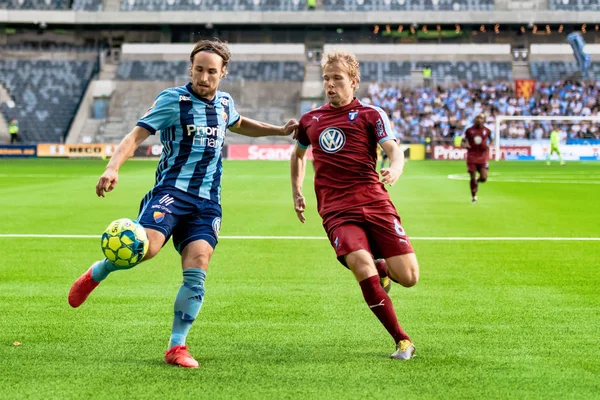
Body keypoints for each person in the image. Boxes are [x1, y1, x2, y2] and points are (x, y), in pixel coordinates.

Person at [68, 39, 298, 369]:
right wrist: (112, 166)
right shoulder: (172, 100)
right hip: (171, 193)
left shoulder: (224, 104)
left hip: (208, 202)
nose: (204, 77)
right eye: (199, 70)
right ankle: (97, 272)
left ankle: (177, 346)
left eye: (212, 72)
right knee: (145, 249)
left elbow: (241, 123)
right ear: (191, 68)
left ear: (223, 73)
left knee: (198, 264)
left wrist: (277, 129)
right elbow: (135, 136)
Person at [290, 50, 419, 360]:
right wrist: (296, 190)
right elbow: (297, 155)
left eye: (338, 78)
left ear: (354, 81)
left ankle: (384, 268)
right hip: (336, 209)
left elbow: (393, 149)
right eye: (326, 78)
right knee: (361, 264)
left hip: (374, 201)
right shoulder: (311, 119)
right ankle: (402, 340)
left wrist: (396, 169)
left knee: (409, 277)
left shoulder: (371, 114)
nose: (330, 84)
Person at [461, 113, 492, 204]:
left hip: (482, 156)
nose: (479, 119)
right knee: (472, 176)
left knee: (483, 177)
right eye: (477, 118)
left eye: (481, 118)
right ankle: (474, 196)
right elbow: (462, 142)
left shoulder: (487, 131)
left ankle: (476, 182)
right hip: (472, 156)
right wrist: (465, 145)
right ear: (474, 119)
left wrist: (489, 145)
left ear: (484, 120)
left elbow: (492, 139)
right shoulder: (469, 131)